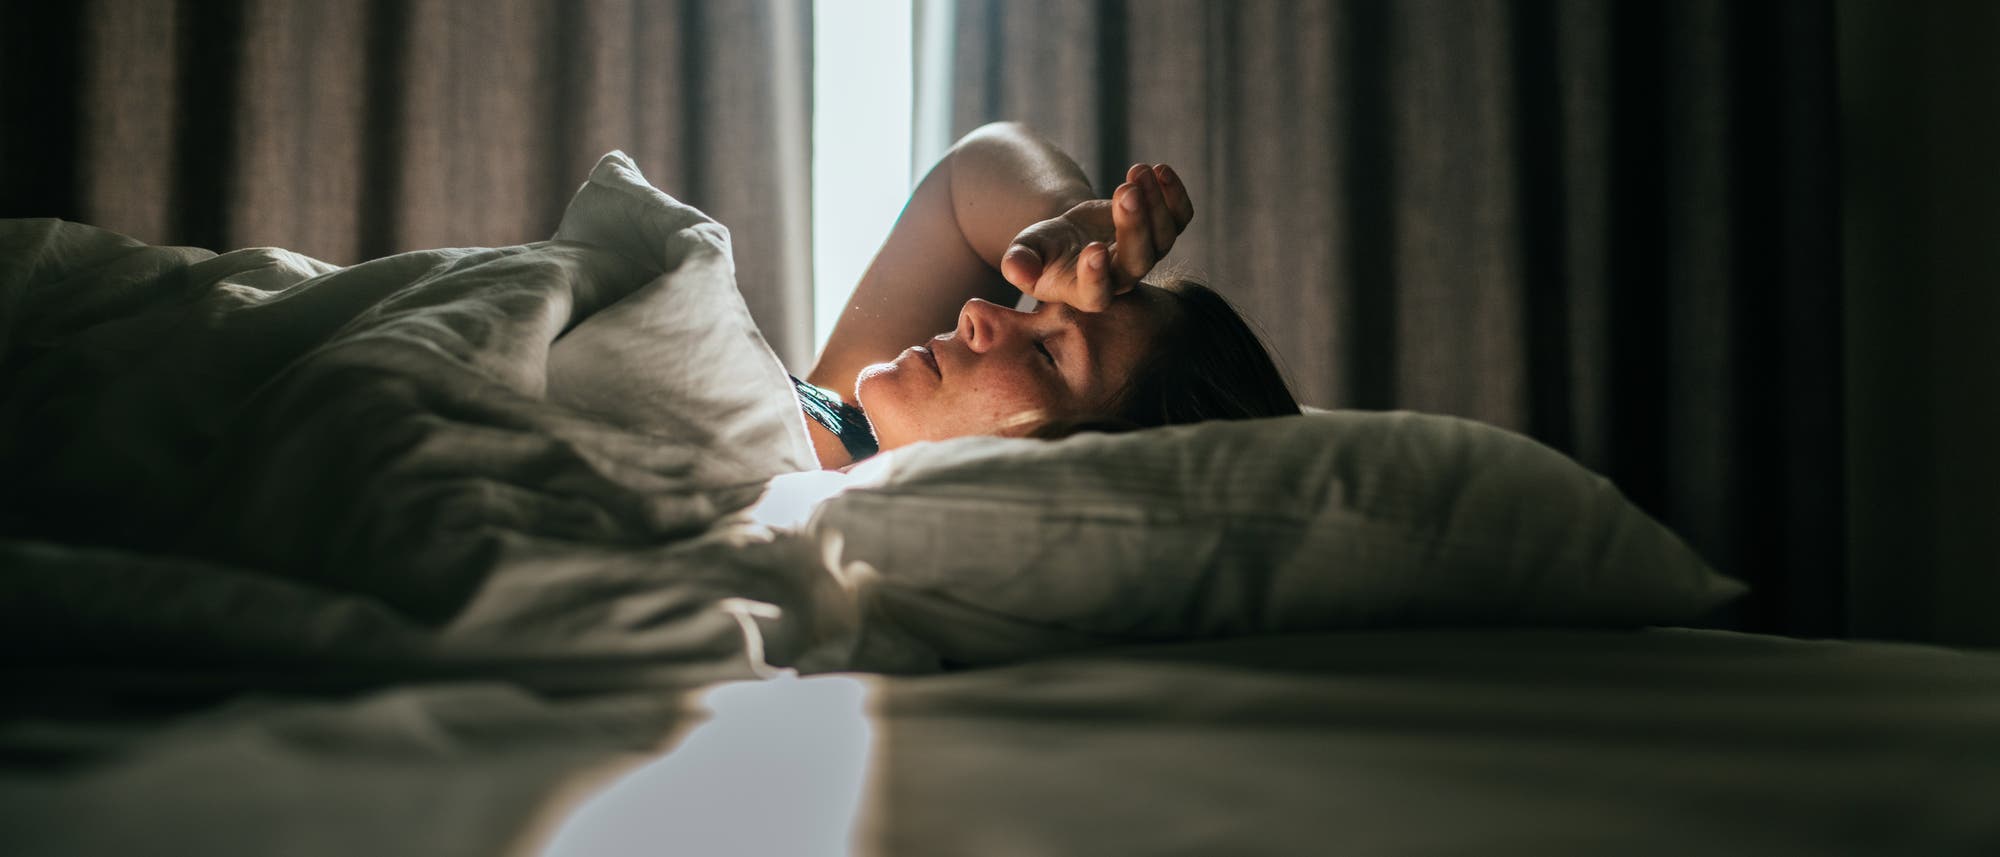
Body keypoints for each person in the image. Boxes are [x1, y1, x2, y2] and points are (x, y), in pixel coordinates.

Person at [797, 122, 1299, 470]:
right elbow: (973, 166)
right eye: (1033, 308)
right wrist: (1062, 225)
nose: (975, 311)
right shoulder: (840, 429)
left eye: (1046, 353)